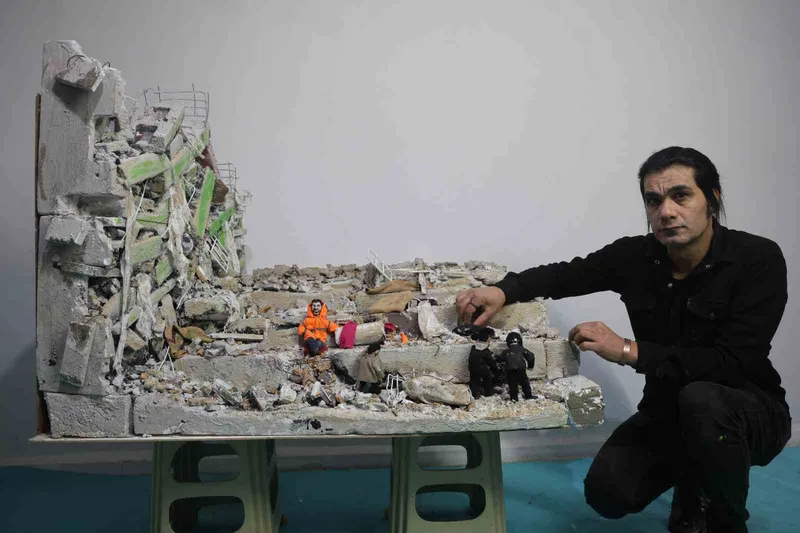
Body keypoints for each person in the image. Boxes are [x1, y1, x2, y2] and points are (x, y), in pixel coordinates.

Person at [455, 147, 791, 533]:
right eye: (654, 200)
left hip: (749, 410)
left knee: (703, 400)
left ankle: (726, 522)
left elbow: (731, 363)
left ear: (712, 199)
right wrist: (503, 290)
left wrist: (628, 351)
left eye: (681, 195)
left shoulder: (757, 258)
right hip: (670, 411)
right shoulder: (637, 256)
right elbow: (565, 275)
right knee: (609, 491)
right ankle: (692, 482)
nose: (666, 211)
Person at [498, 332, 536, 402]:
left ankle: (514, 398)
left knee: (512, 384)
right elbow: (531, 357)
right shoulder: (522, 349)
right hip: (521, 369)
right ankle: (528, 395)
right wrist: (530, 366)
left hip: (510, 369)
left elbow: (500, 359)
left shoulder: (505, 351)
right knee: (525, 382)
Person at [468, 327, 500, 399]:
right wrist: (496, 371)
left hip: (472, 367)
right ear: (488, 337)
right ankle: (488, 393)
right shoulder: (485, 350)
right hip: (482, 368)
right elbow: (492, 363)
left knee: (474, 380)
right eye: (491, 337)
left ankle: (475, 394)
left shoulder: (473, 347)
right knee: (488, 379)